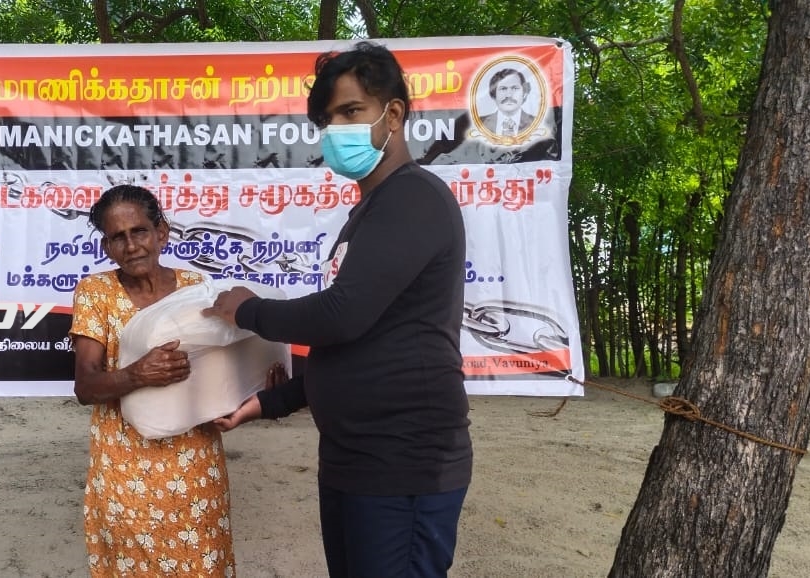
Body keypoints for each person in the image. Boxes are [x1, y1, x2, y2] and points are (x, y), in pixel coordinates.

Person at [204, 41, 474, 577]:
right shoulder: (368, 212)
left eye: (351, 111)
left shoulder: (413, 198)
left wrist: (247, 309)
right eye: (328, 120)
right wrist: (266, 403)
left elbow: (340, 315)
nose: (336, 130)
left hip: (403, 462)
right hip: (354, 460)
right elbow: (352, 344)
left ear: (392, 114)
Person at [69, 184, 238, 576]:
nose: (131, 246)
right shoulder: (96, 293)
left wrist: (253, 386)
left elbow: (218, 372)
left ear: (161, 232)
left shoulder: (196, 288)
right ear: (107, 246)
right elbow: (85, 387)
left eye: (139, 231)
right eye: (118, 237)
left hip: (195, 465)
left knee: (203, 565)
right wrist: (136, 374)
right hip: (125, 469)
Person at [478, 67, 536, 138]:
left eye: (515, 88)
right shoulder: (479, 123)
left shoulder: (538, 123)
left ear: (523, 92)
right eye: (503, 89)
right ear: (494, 94)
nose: (509, 95)